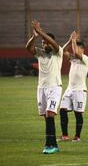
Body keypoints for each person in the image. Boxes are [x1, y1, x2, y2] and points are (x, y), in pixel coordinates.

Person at [25, 20, 63, 154]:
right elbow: (28, 48)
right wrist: (34, 37)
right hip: (41, 88)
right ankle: (53, 145)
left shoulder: (58, 52)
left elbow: (53, 44)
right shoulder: (40, 53)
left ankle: (49, 145)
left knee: (50, 114)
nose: (44, 44)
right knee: (46, 117)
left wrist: (41, 32)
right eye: (42, 43)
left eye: (46, 42)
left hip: (54, 87)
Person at [58, 31, 88, 142]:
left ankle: (77, 136)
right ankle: (65, 135)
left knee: (78, 113)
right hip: (69, 89)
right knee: (62, 110)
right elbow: (62, 51)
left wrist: (74, 40)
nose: (75, 50)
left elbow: (76, 53)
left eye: (78, 48)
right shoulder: (73, 59)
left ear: (82, 49)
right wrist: (70, 40)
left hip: (80, 91)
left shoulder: (85, 58)